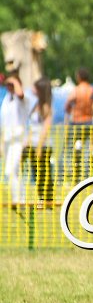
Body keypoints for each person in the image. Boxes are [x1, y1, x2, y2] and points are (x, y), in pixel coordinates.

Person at [1, 65, 31, 209]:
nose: (9, 86)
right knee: (12, 171)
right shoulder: (6, 99)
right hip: (7, 140)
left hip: (18, 140)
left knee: (12, 169)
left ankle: (19, 198)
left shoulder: (23, 99)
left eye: (11, 84)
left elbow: (20, 94)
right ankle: (17, 198)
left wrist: (15, 81)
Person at [23, 77, 54, 203]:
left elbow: (45, 128)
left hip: (43, 145)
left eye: (35, 88)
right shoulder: (36, 105)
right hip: (33, 144)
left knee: (44, 173)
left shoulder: (46, 107)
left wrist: (40, 147)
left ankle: (48, 199)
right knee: (37, 173)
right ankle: (42, 197)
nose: (32, 90)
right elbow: (32, 126)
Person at [64, 67, 93, 183]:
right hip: (88, 121)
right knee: (87, 149)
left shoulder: (76, 90)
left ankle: (72, 174)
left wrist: (69, 111)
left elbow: (67, 104)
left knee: (71, 150)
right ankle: (85, 176)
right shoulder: (92, 90)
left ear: (79, 77)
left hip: (76, 122)